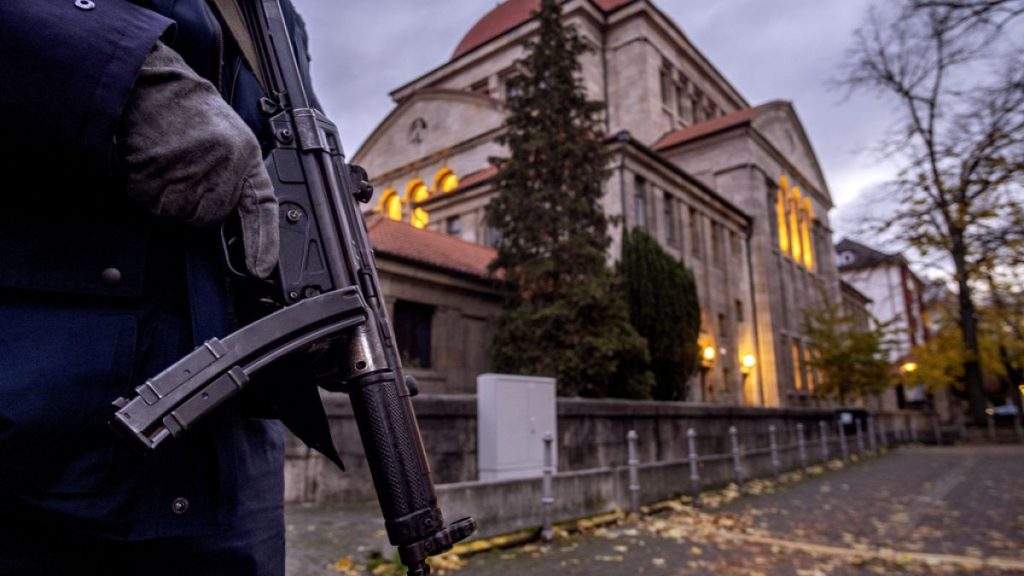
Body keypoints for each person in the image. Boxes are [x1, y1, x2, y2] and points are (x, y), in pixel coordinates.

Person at [0, 1, 318, 573]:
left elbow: (288, 159)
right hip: (40, 432)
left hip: (232, 466)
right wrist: (119, 72)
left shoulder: (276, 16)